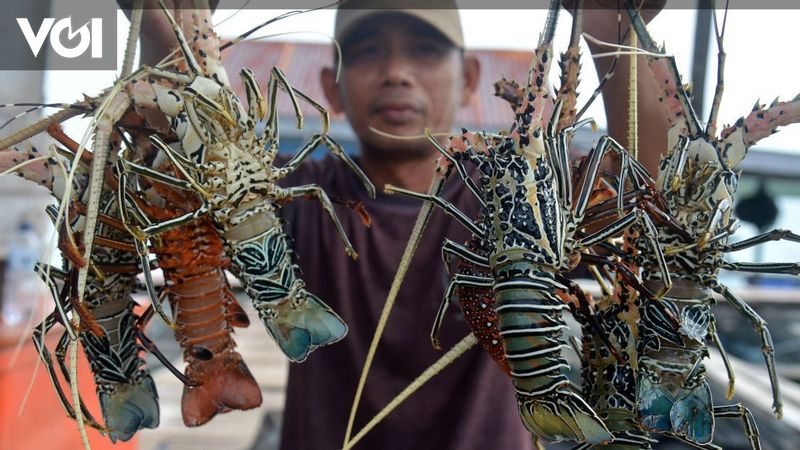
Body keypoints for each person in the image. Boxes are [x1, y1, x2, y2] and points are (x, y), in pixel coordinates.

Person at [129, 1, 668, 449]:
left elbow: (644, 189)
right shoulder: (299, 195)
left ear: (468, 80)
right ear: (331, 88)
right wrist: (166, 19)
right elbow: (190, 171)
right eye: (366, 52)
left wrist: (606, 24)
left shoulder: (509, 192)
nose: (396, 72)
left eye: (425, 50)